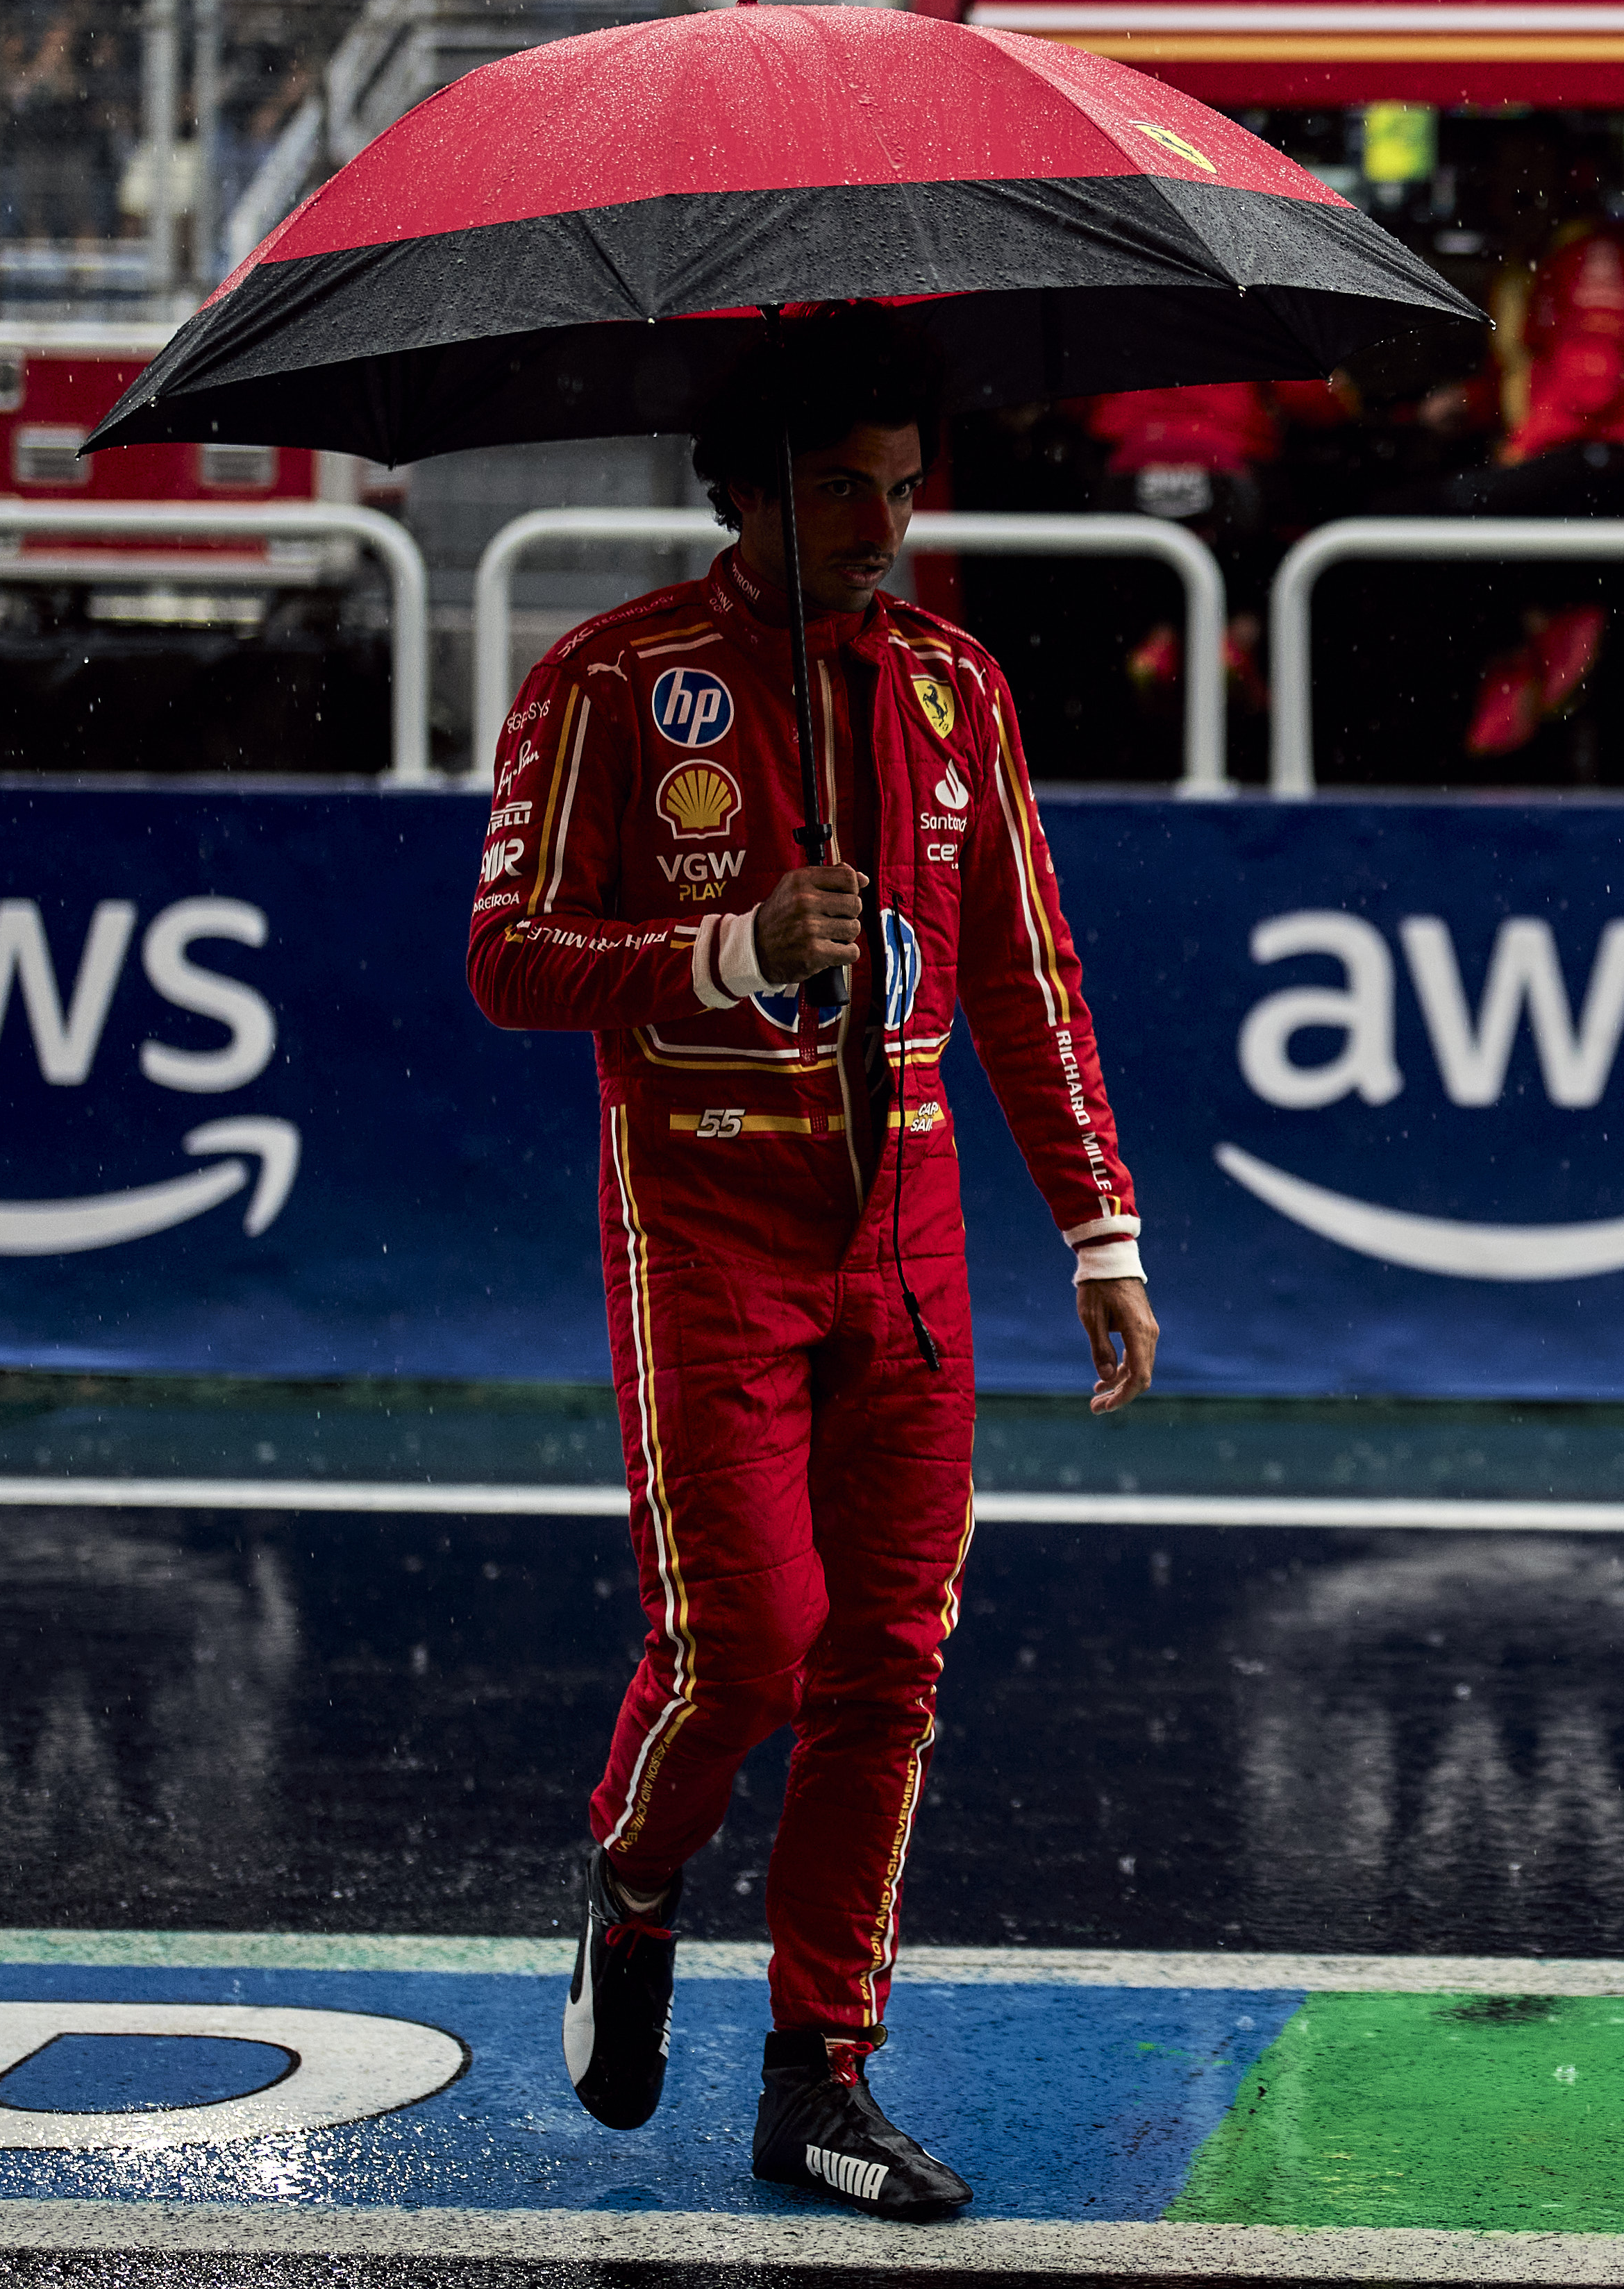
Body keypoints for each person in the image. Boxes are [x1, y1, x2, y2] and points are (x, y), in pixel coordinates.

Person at [469, 310, 1159, 2221]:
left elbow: (1027, 976)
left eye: (909, 477)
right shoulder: (611, 682)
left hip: (911, 1257)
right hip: (705, 1234)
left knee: (889, 1673)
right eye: (851, 480)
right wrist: (732, 953)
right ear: (747, 483)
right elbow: (508, 961)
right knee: (746, 1650)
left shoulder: (959, 690)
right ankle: (627, 1879)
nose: (892, 515)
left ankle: (820, 2079)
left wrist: (1097, 1229)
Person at [1414, 137, 1624, 760]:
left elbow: (1589, 384)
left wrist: (1519, 455)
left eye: (1518, 178)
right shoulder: (1536, 262)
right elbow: (1532, 373)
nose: (1503, 194)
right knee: (1446, 513)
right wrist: (1468, 403)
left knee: (1437, 521)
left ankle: (1536, 647)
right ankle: (1540, 643)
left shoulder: (1595, 254)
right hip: (1591, 456)